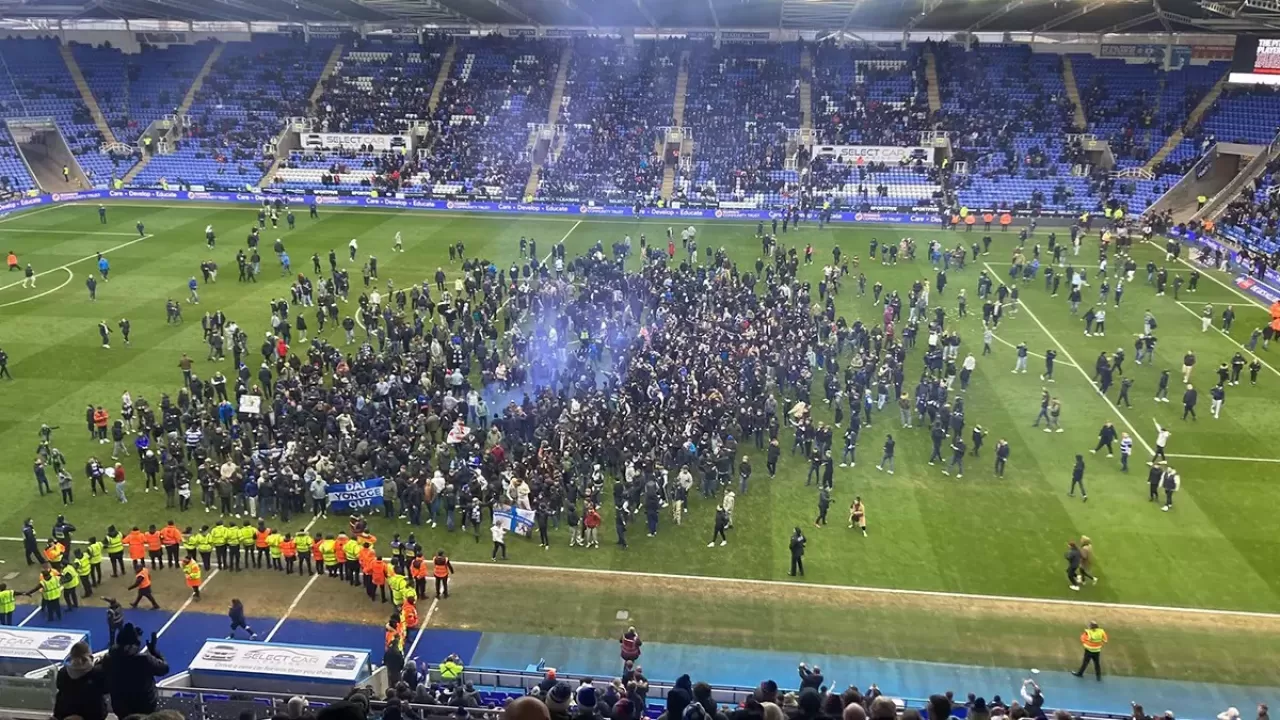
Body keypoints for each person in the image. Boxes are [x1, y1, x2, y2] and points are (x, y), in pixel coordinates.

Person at [101, 623, 169, 717]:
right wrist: (154, 652)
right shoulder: (144, 660)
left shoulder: (108, 659)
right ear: (132, 645)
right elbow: (164, 669)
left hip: (121, 708)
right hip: (145, 708)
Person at [54, 640, 107, 720]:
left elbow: (59, 686)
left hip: (64, 714)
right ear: (90, 657)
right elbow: (106, 689)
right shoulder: (97, 672)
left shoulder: (62, 672)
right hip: (93, 716)